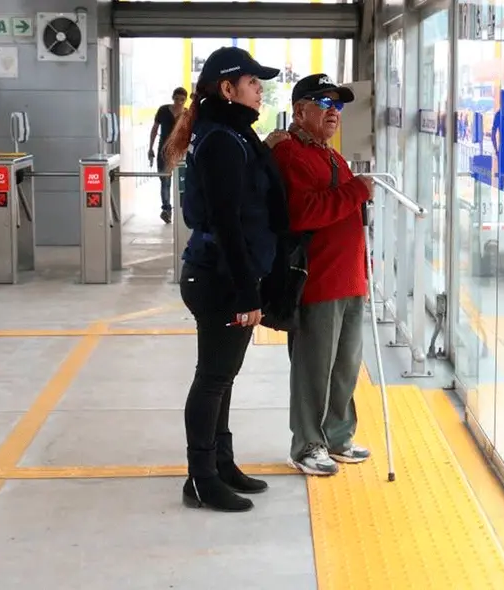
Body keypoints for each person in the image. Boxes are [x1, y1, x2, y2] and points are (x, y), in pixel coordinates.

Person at [162, 47, 289, 512]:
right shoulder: (221, 140)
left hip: (220, 274)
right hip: (219, 279)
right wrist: (246, 291)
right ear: (227, 88)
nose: (260, 90)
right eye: (253, 83)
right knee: (213, 378)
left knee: (223, 376)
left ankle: (221, 463)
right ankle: (200, 478)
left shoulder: (231, 133)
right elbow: (227, 222)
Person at [269, 74, 375, 476]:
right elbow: (302, 213)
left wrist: (364, 266)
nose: (334, 112)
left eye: (338, 105)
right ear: (300, 111)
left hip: (349, 279)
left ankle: (337, 436)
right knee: (314, 368)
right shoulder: (291, 154)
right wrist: (357, 191)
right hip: (318, 280)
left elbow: (346, 215)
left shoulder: (331, 156)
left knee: (345, 366)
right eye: (325, 103)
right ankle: (307, 444)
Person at [149, 87, 188, 224]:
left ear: (185, 100)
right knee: (165, 181)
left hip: (180, 151)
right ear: (172, 98)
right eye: (176, 99)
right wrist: (150, 148)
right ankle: (166, 209)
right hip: (163, 151)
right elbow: (154, 129)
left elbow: (189, 134)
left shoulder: (186, 114)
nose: (179, 102)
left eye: (182, 100)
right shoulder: (163, 110)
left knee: (182, 182)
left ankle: (183, 210)